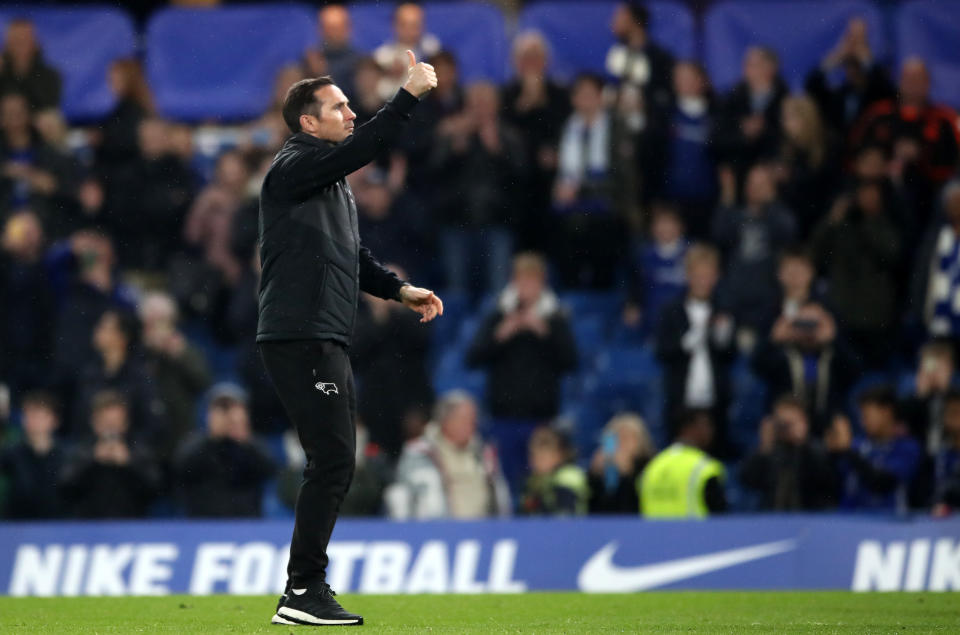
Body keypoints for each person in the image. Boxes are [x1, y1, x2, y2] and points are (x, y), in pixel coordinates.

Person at [257, 56, 442, 627]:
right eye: (339, 106)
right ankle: (302, 589)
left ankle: (304, 587)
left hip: (321, 331)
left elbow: (351, 257)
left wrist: (398, 289)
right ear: (309, 124)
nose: (350, 111)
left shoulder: (327, 182)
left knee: (335, 457)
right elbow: (367, 148)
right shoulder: (293, 166)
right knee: (334, 458)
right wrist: (407, 94)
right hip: (301, 332)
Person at [466, 252, 578, 491]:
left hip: (542, 418)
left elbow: (570, 361)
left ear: (542, 283)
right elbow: (473, 357)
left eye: (532, 280)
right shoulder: (498, 314)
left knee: (540, 485)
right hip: (504, 416)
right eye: (522, 280)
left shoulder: (555, 318)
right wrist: (501, 335)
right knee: (505, 484)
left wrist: (544, 333)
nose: (527, 287)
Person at [430, 80, 526, 295]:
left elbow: (521, 176)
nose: (480, 109)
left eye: (485, 103)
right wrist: (455, 148)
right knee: (457, 290)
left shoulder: (508, 136)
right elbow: (434, 171)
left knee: (497, 289)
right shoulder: (451, 131)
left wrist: (497, 150)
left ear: (496, 106)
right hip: (456, 222)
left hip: (497, 222)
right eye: (475, 104)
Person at [810, 181, 901, 368]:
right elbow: (814, 253)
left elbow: (892, 254)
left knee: (875, 372)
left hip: (876, 319)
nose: (867, 198)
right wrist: (832, 220)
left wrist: (869, 220)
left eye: (872, 194)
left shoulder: (886, 222)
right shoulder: (841, 224)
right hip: (842, 314)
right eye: (863, 193)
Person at [655, 245, 735, 450]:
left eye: (707, 275)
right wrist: (687, 342)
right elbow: (662, 352)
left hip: (714, 404)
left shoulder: (723, 309)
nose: (702, 281)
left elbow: (730, 356)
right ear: (687, 275)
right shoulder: (671, 310)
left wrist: (723, 338)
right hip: (681, 402)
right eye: (697, 275)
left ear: (716, 277)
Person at [384, 390, 510, 519]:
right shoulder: (420, 452)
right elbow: (405, 496)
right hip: (439, 532)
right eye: (463, 419)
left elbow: (501, 496)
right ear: (445, 420)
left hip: (483, 531)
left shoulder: (484, 452)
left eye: (473, 419)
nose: (471, 425)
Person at [351, 261, 433, 457]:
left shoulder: (418, 317)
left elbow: (421, 343)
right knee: (377, 465)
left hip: (411, 404)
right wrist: (379, 319)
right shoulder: (358, 322)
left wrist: (395, 311)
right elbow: (354, 355)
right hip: (375, 408)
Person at [712, 163, 797, 333]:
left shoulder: (777, 216)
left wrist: (772, 203)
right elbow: (719, 234)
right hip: (734, 298)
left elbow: (788, 232)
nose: (755, 189)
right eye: (751, 183)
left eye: (761, 184)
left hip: (767, 301)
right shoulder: (736, 216)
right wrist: (727, 196)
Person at [752, 299, 858, 435]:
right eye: (803, 323)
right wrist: (774, 339)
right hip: (787, 427)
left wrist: (834, 339)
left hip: (825, 428)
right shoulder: (783, 355)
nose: (808, 330)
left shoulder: (833, 355)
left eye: (813, 324)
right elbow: (757, 367)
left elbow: (855, 371)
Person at [174, 383, 276, 518]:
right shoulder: (196, 443)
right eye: (221, 408)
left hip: (246, 523)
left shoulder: (252, 445)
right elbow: (181, 466)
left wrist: (243, 438)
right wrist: (213, 437)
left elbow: (269, 469)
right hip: (202, 524)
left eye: (232, 408)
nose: (228, 416)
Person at [59, 390, 161, 519]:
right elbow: (65, 490)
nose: (111, 428)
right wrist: (93, 461)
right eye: (106, 422)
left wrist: (128, 464)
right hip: (87, 528)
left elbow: (155, 491)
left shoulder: (139, 450)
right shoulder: (80, 451)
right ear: (94, 423)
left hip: (132, 526)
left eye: (115, 422)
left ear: (125, 424)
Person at [72, 309, 165, 445]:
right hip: (91, 455)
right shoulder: (89, 374)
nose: (97, 331)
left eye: (104, 327)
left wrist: (129, 450)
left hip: (131, 457)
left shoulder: (140, 376)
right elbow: (79, 421)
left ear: (122, 337)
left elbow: (155, 426)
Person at [139, 291, 212, 460]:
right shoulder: (135, 350)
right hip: (145, 435)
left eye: (163, 322)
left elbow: (203, 382)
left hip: (180, 432)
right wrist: (147, 351)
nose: (159, 329)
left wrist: (180, 355)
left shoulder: (186, 350)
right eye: (153, 322)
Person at [826, 386, 922, 514]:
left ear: (887, 412)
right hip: (847, 521)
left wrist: (847, 451)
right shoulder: (857, 445)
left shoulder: (907, 447)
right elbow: (832, 484)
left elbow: (881, 483)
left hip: (888, 524)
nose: (862, 422)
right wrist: (832, 453)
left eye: (866, 416)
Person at [740, 395, 837, 511]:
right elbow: (747, 480)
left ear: (804, 421)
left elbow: (827, 481)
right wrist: (764, 447)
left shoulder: (815, 449)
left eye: (790, 423)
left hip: (809, 516)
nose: (785, 428)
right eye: (781, 423)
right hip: (772, 516)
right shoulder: (769, 451)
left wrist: (802, 442)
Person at [803, 17, 894, 137]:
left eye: (857, 65)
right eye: (848, 64)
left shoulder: (876, 92)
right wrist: (837, 56)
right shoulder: (839, 94)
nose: (852, 70)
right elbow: (811, 86)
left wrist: (865, 58)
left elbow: (886, 91)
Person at [712, 47, 788, 185]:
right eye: (746, 64)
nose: (746, 68)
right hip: (738, 179)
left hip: (773, 182)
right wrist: (743, 135)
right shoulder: (731, 99)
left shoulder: (786, 100)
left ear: (771, 68)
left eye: (753, 64)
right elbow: (716, 139)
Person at [0, 211, 54, 397]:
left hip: (39, 355)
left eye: (31, 231)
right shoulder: (6, 265)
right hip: (6, 353)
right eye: (22, 231)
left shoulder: (48, 265)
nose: (27, 237)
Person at [639, 408, 726, 518]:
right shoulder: (704, 467)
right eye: (705, 425)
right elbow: (719, 516)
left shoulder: (654, 465)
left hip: (653, 534)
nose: (711, 431)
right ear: (689, 428)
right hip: (695, 534)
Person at [622, 202, 688, 336]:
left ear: (680, 225)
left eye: (669, 222)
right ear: (652, 227)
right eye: (660, 223)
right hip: (651, 326)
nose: (665, 228)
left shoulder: (693, 253)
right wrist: (632, 305)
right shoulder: (642, 255)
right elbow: (634, 289)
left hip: (686, 325)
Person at [0, 391, 64, 519]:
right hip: (17, 524)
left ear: (54, 421)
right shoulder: (10, 453)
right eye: (29, 415)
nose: (34, 421)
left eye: (40, 416)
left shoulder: (68, 454)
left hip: (60, 525)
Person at [605, 1, 674, 116]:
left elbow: (665, 96)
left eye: (620, 16)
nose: (613, 22)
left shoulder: (659, 58)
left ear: (634, 20)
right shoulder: (617, 52)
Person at [588, 413, 655, 514]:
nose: (621, 443)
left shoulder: (651, 467)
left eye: (626, 438)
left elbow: (639, 505)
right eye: (617, 437)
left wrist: (627, 476)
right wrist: (595, 476)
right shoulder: (603, 468)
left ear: (641, 441)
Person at [373, 3, 441, 100]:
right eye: (404, 25)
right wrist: (389, 76)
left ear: (423, 25)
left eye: (414, 25)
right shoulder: (381, 57)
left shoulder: (433, 51)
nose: (409, 30)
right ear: (394, 25)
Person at [899, 340, 956, 453]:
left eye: (941, 368)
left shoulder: (956, 398)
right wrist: (921, 395)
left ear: (951, 369)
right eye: (931, 368)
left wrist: (946, 392)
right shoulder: (912, 402)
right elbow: (902, 428)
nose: (934, 374)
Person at [521, 426, 589, 516]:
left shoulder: (568, 476)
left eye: (542, 458)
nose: (536, 462)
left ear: (559, 455)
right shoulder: (533, 481)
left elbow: (565, 514)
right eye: (533, 456)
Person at [0, 19, 61, 111]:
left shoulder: (49, 76)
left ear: (35, 43)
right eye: (16, 40)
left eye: (24, 40)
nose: (19, 46)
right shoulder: (2, 73)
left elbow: (48, 107)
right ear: (7, 44)